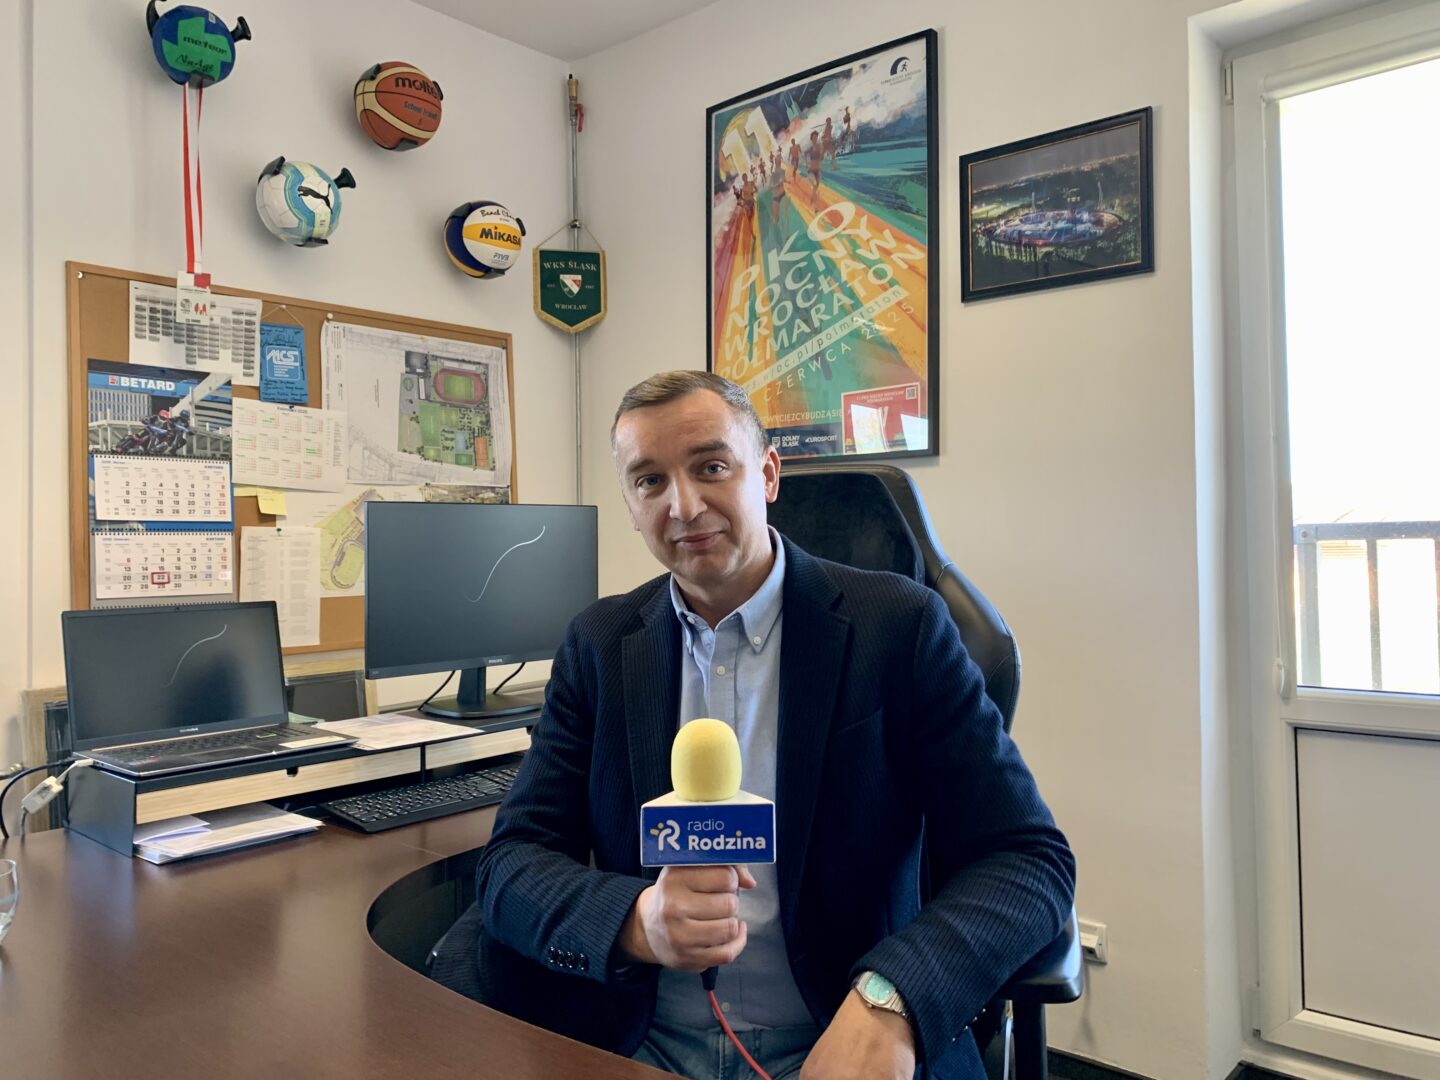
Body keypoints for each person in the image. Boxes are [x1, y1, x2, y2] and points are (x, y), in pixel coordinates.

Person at [472, 371, 1074, 1080]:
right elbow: (511, 863)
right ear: (631, 507)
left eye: (711, 467)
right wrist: (636, 920)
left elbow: (1027, 859)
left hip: (844, 1039)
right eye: (650, 481)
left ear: (767, 474)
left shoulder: (899, 627)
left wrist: (892, 1002)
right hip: (642, 1041)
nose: (684, 505)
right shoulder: (599, 646)